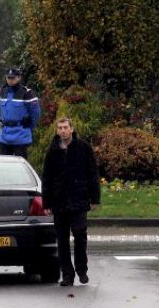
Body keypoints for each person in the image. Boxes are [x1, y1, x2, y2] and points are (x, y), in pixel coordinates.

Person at [41, 117, 101, 287]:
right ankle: (67, 275)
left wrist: (95, 198)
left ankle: (82, 270)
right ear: (57, 131)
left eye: (66, 127)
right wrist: (47, 203)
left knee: (80, 235)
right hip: (59, 202)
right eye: (60, 128)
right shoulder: (52, 151)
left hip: (79, 199)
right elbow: (47, 178)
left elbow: (93, 174)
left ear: (71, 129)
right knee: (62, 240)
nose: (63, 131)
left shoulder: (83, 148)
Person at [0, 67, 40, 159]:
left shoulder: (27, 93)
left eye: (13, 78)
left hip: (20, 135)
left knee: (19, 167)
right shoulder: (2, 91)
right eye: (8, 78)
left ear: (19, 78)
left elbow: (35, 114)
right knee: (2, 165)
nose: (10, 80)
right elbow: (2, 111)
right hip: (4, 135)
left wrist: (28, 128)